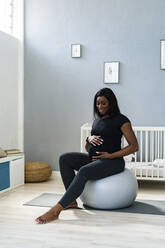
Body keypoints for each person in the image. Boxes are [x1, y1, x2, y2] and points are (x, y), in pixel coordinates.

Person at [35, 87, 138, 224]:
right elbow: (88, 147)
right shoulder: (97, 121)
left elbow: (134, 146)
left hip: (113, 161)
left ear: (111, 103)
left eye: (103, 103)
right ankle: (71, 201)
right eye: (98, 103)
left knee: (83, 172)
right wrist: (88, 140)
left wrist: (110, 155)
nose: (99, 106)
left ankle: (56, 210)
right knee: (64, 158)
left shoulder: (122, 120)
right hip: (94, 159)